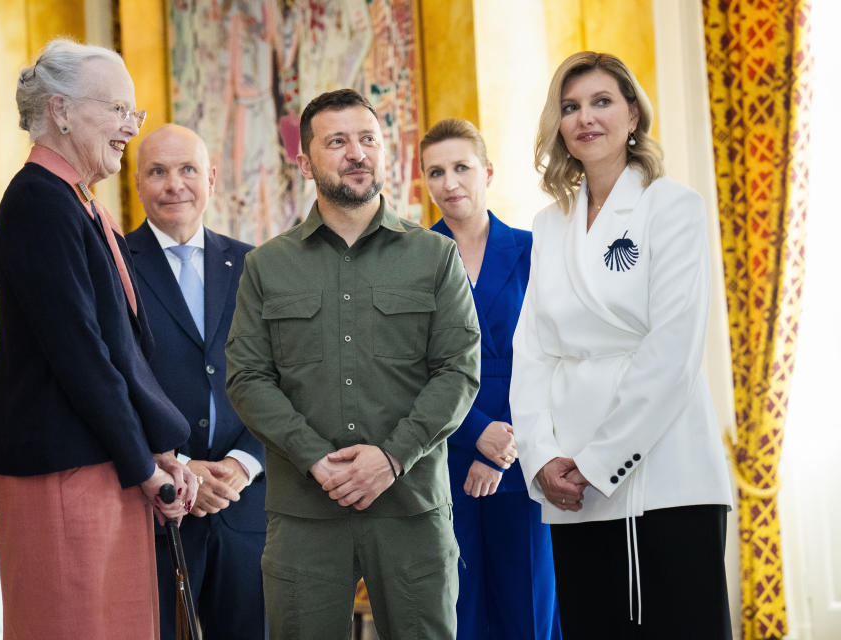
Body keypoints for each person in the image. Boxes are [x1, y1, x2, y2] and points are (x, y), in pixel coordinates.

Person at [225, 88, 481, 639]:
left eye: (368, 139)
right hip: (303, 516)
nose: (356, 153)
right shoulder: (266, 267)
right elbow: (247, 378)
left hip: (411, 508)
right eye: (337, 141)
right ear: (306, 161)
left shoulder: (435, 257)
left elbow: (458, 370)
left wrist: (391, 458)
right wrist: (316, 458)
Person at [510, 51, 733, 639]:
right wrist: (541, 458)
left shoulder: (672, 205)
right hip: (568, 482)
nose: (586, 117)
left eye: (602, 101)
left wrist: (599, 462)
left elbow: (674, 352)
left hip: (664, 474)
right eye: (571, 106)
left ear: (633, 114)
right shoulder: (548, 223)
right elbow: (530, 352)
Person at [0, 39, 198, 639]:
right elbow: (82, 356)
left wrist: (154, 451)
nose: (131, 127)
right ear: (60, 110)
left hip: (103, 466)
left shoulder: (79, 202)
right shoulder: (37, 202)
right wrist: (145, 466)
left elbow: (122, 350)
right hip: (64, 476)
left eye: (134, 113)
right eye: (117, 110)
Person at [422, 118, 562, 640]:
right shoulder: (412, 259)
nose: (450, 182)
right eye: (436, 172)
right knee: (457, 609)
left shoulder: (535, 250)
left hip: (526, 454)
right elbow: (409, 369)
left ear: (488, 171)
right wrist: (474, 434)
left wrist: (505, 445)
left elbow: (557, 358)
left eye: (461, 167)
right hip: (443, 453)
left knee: (528, 603)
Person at [127, 123, 266, 639]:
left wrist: (241, 463)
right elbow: (115, 383)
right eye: (158, 172)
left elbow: (289, 377)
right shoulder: (114, 264)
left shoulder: (256, 265)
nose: (174, 184)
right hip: (156, 508)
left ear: (210, 178)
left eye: (187, 170)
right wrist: (182, 467)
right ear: (137, 184)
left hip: (246, 505)